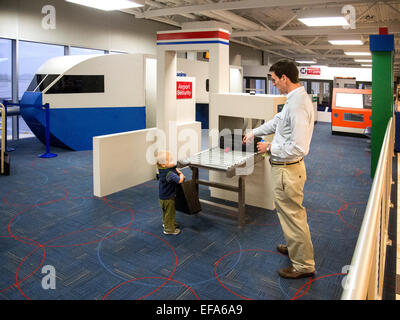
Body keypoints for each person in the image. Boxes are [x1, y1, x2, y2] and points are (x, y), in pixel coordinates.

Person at [243, 60, 315, 279]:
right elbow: (277, 122)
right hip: (285, 169)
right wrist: (254, 132)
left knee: (293, 215)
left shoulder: (298, 104)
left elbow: (299, 146)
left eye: (274, 79)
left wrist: (270, 146)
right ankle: (294, 247)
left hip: (288, 170)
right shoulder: (293, 100)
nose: (273, 84)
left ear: (284, 78)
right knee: (288, 213)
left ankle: (303, 265)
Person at [157, 151, 185, 235]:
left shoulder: (162, 170)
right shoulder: (170, 174)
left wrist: (174, 168)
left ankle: (166, 223)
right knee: (170, 212)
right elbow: (179, 180)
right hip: (169, 198)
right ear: (163, 164)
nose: (173, 161)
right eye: (170, 160)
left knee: (165, 212)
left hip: (162, 197)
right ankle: (169, 229)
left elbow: (172, 168)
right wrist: (181, 174)